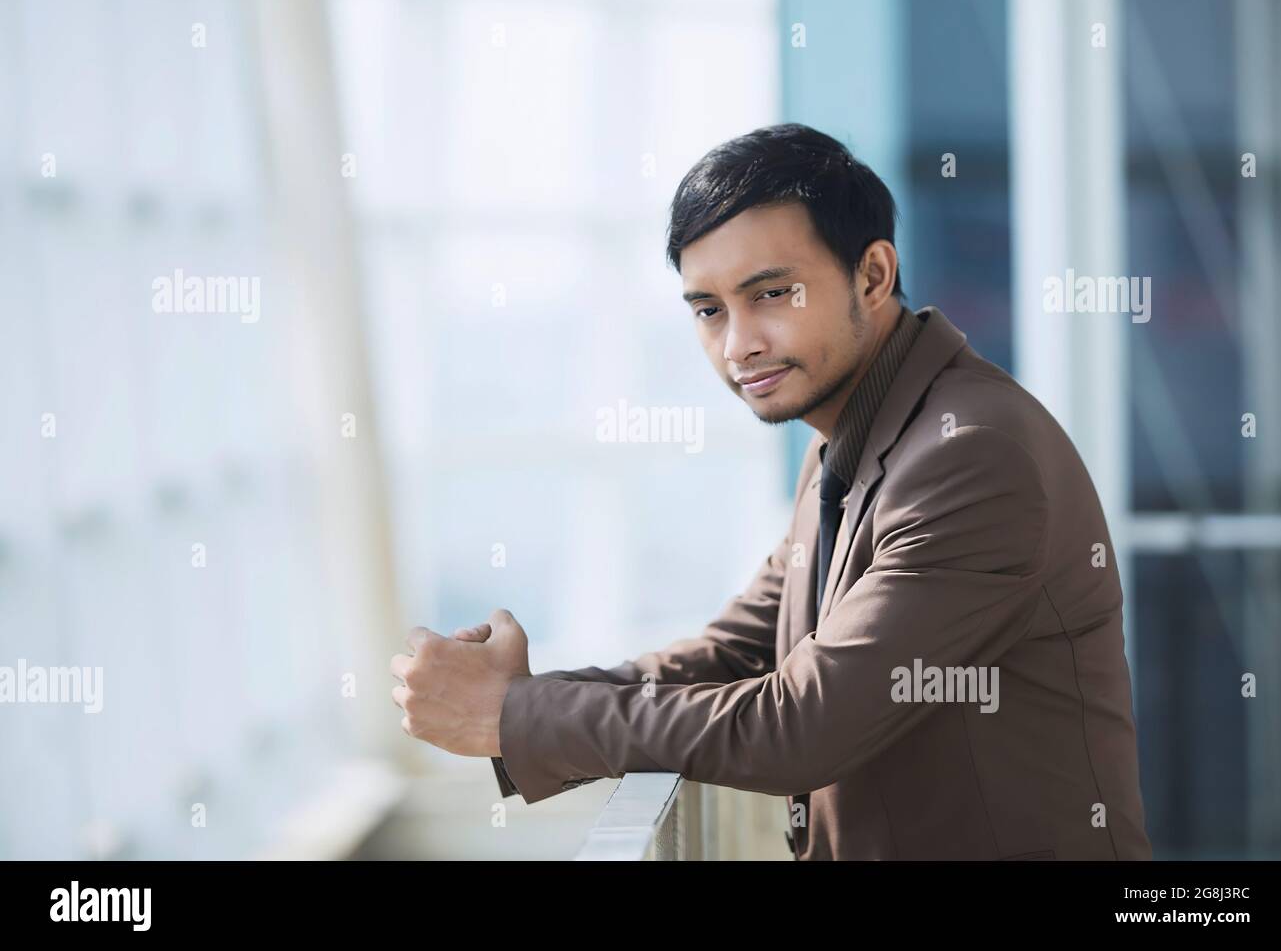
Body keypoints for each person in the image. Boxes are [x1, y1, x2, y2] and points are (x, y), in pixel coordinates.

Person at [390, 123, 1151, 860]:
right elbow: (736, 655)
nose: (737, 344)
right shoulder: (847, 443)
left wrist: (516, 715)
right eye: (709, 310)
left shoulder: (971, 455)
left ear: (873, 274)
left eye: (772, 293)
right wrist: (515, 695)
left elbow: (804, 725)